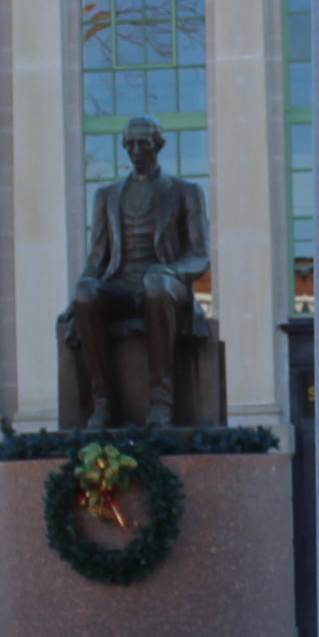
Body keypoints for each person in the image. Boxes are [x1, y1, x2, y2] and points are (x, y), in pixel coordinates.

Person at [67, 116, 211, 426]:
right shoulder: (107, 196)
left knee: (155, 285)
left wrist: (169, 271)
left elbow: (199, 256)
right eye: (129, 144)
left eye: (142, 143)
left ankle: (161, 401)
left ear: (157, 146)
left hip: (165, 286)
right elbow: (97, 258)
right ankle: (102, 401)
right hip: (121, 286)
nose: (135, 150)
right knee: (85, 295)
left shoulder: (186, 191)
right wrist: (80, 290)